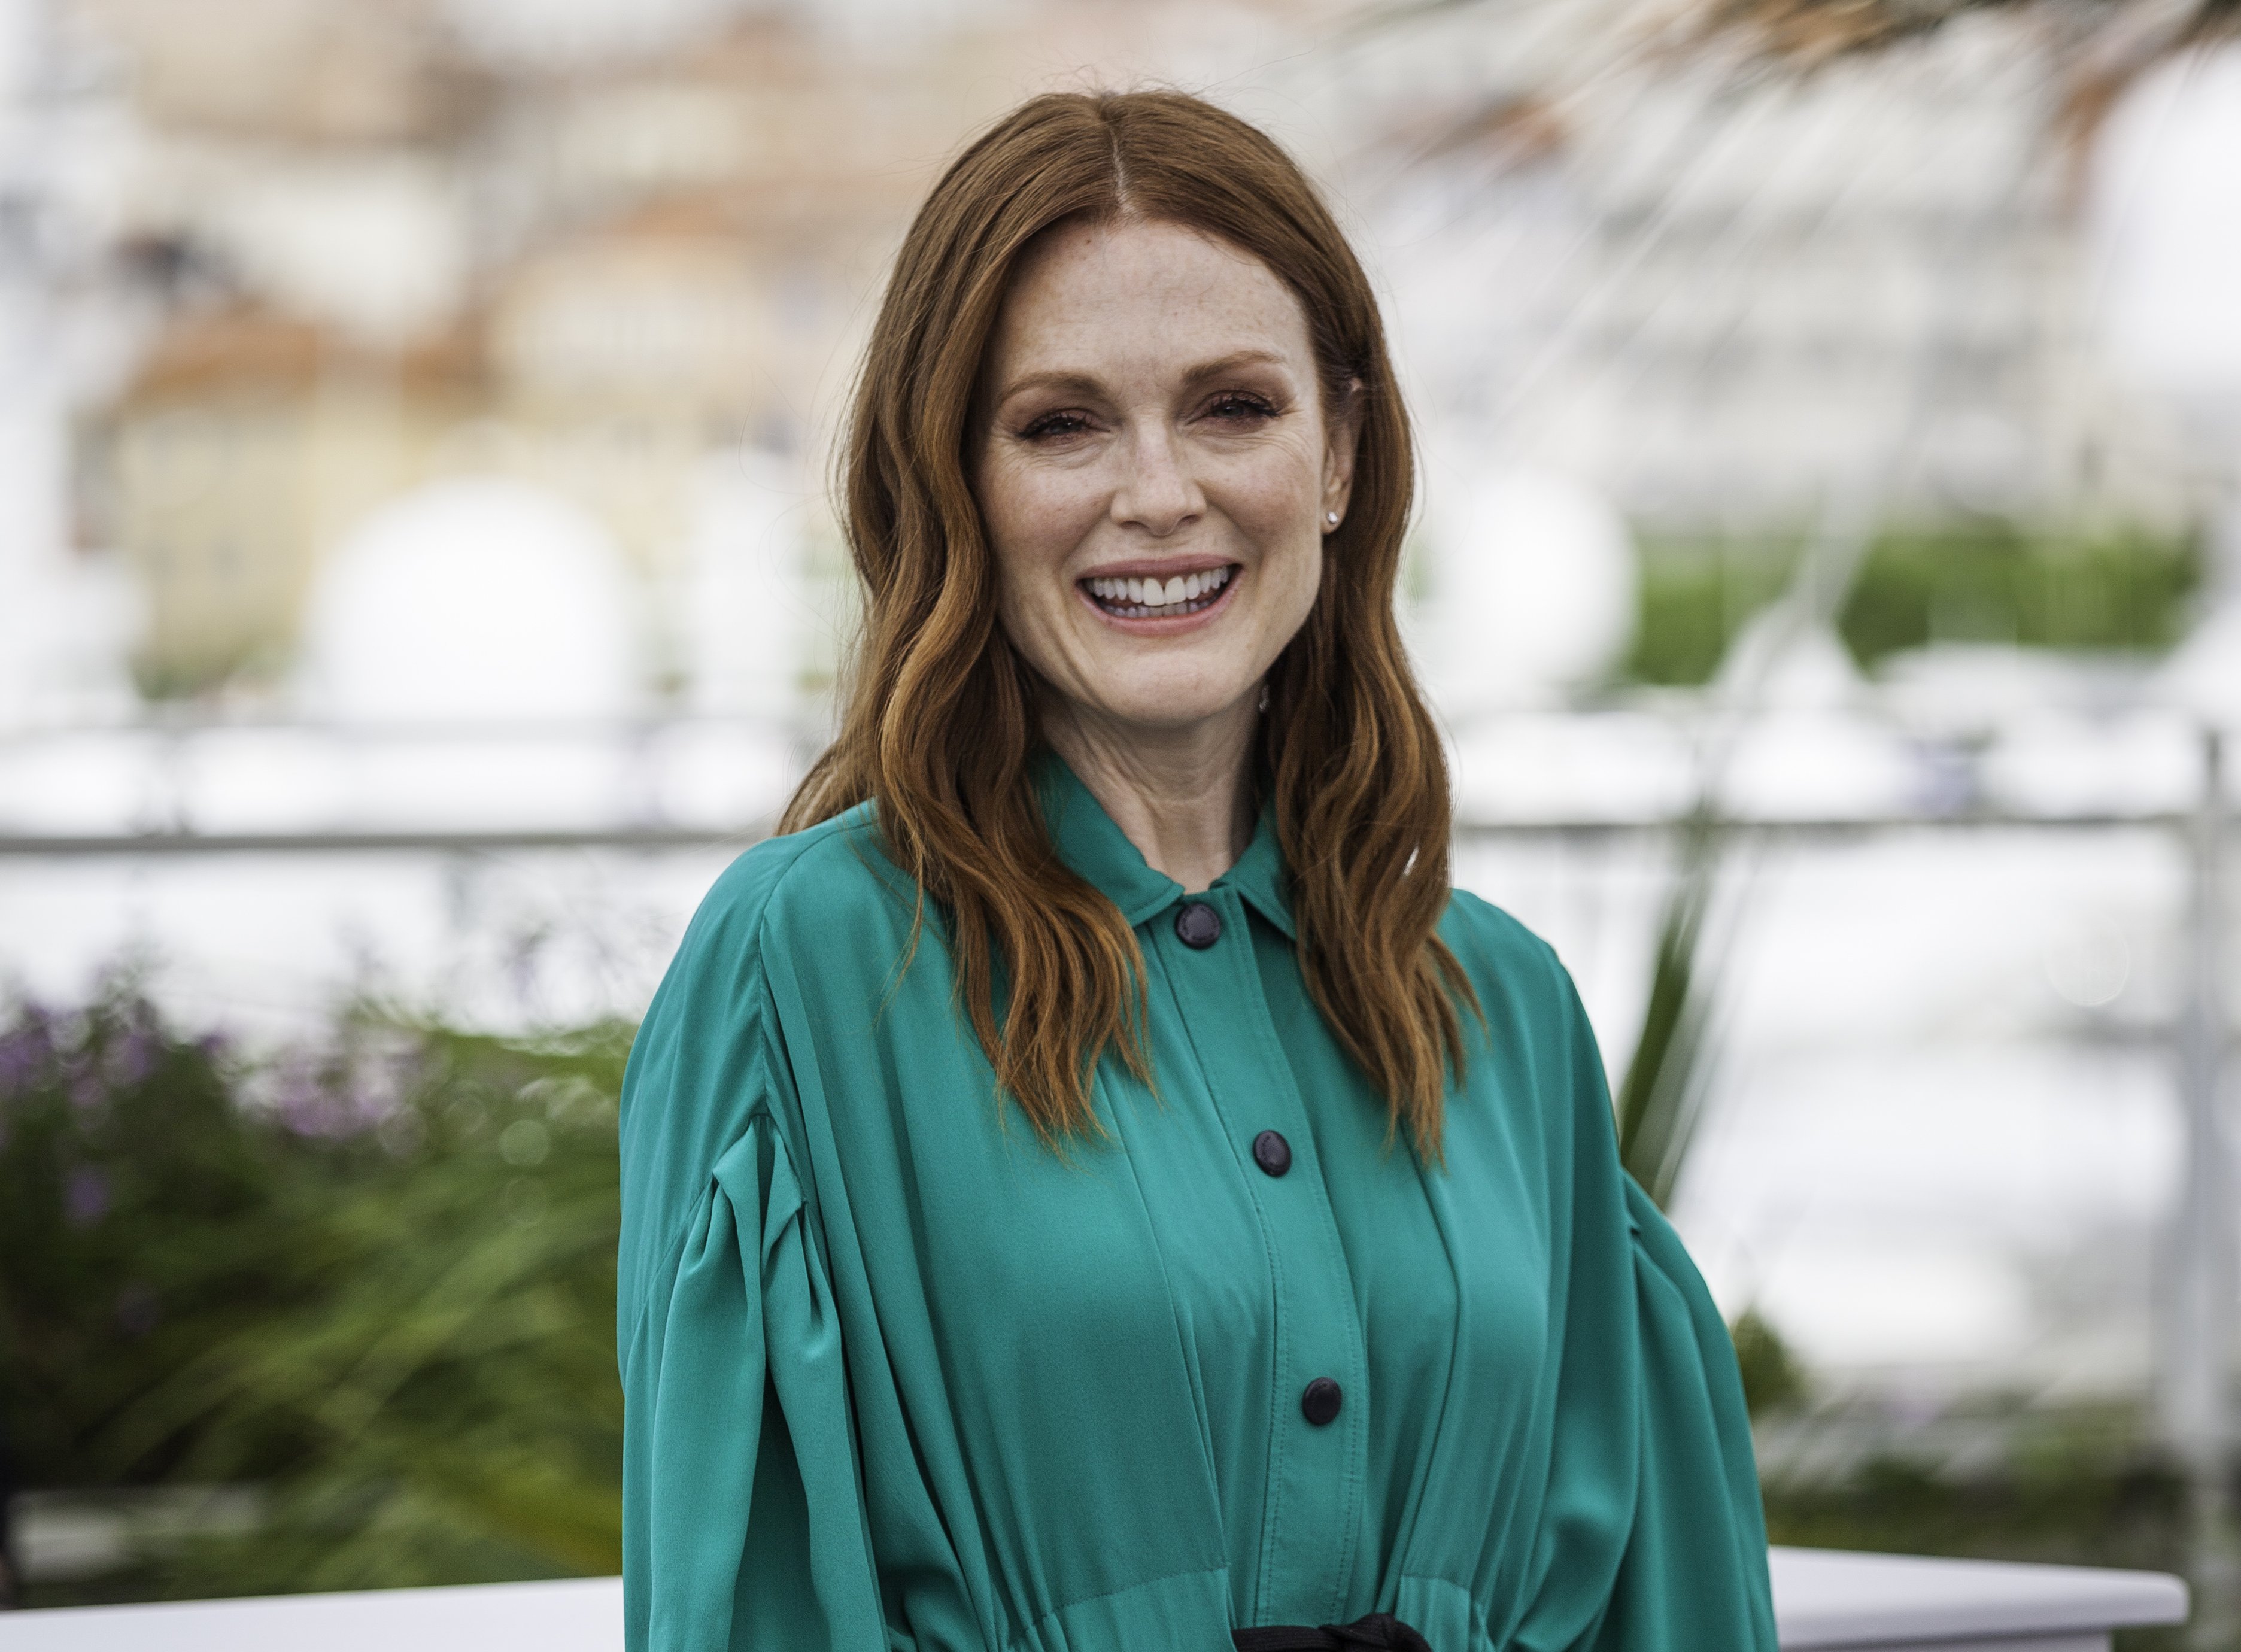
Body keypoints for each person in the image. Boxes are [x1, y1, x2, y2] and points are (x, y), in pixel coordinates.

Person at [617, 89, 1777, 1652]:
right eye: (1062, 422)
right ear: (954, 479)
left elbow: (1662, 1593)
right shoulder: (807, 966)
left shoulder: (1502, 1004)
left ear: (1342, 452)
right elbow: (740, 1603)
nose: (1159, 494)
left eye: (1234, 407)